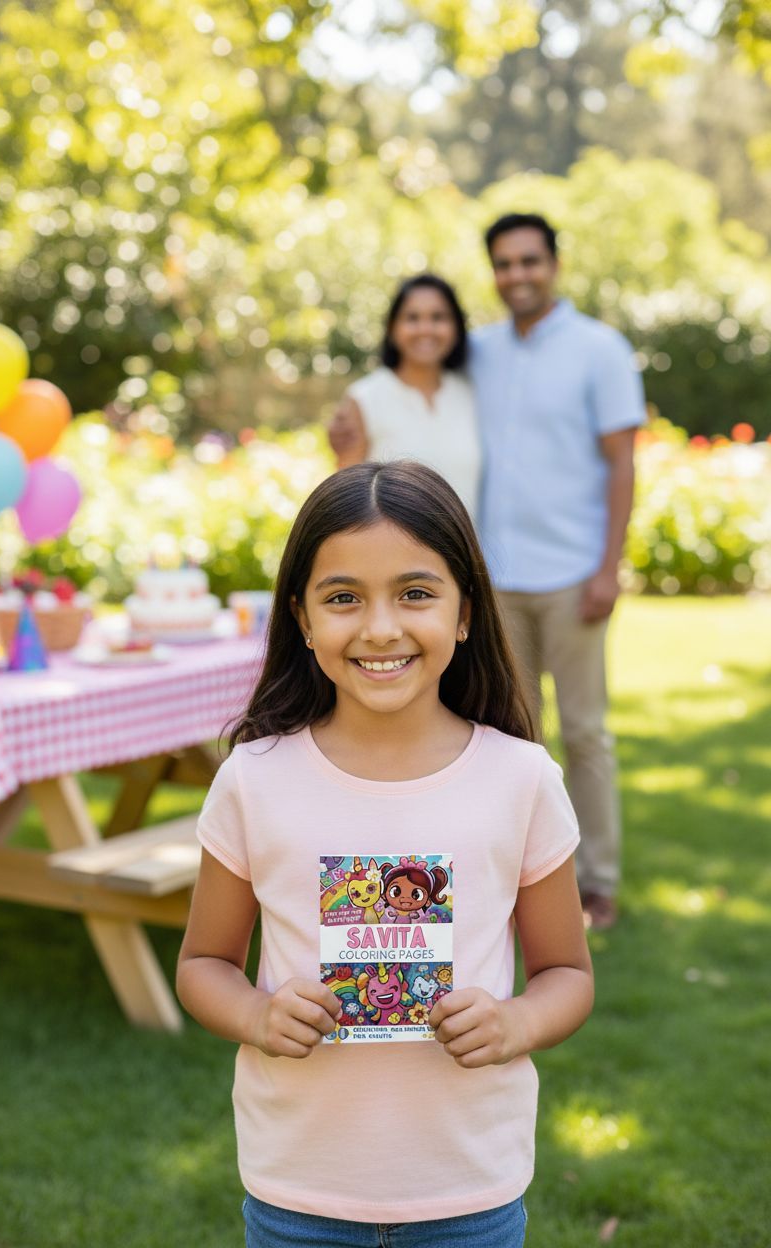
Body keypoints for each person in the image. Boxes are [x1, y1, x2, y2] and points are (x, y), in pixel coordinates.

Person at [177, 460, 594, 1248]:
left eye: (414, 593)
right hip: (298, 1192)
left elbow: (567, 976)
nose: (379, 628)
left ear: (465, 611)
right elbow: (203, 964)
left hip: (470, 1191)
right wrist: (258, 1014)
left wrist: (515, 1024)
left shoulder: (521, 780)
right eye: (342, 598)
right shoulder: (254, 780)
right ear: (300, 617)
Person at [471, 212, 646, 933]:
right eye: (505, 264)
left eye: (529, 262)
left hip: (574, 574)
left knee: (585, 733)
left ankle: (597, 882)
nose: (518, 276)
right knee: (511, 738)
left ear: (555, 264)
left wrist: (609, 566)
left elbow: (623, 462)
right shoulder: (476, 350)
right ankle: (522, 884)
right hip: (496, 580)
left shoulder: (599, 350)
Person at [328, 274, 481, 519]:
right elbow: (345, 498)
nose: (425, 329)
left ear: (456, 327)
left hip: (466, 553)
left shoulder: (470, 393)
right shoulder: (364, 398)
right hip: (389, 555)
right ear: (392, 327)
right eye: (412, 318)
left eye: (438, 317)